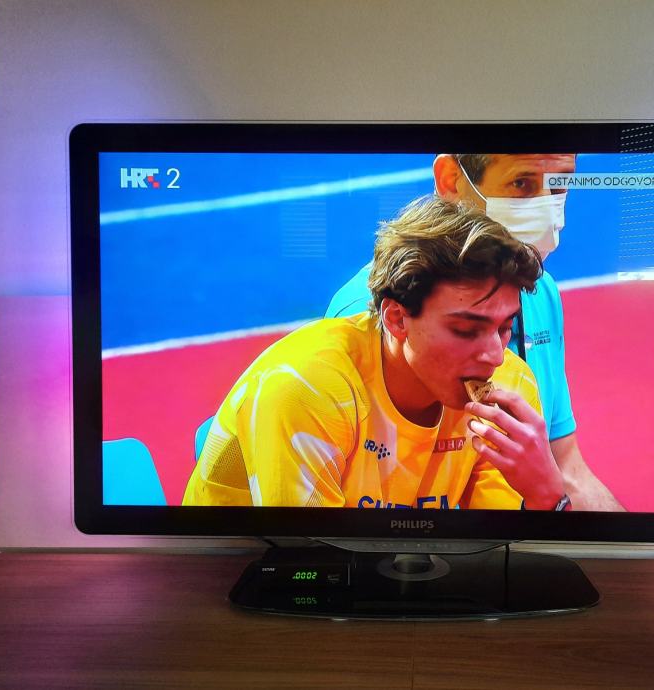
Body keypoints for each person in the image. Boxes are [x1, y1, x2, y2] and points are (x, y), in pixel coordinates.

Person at [182, 197, 569, 510]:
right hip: (236, 573)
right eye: (466, 330)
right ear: (397, 318)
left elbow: (494, 553)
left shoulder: (509, 385)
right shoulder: (305, 388)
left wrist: (547, 496)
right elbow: (311, 562)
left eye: (504, 328)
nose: (495, 356)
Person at [326, 153, 624, 511]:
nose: (547, 209)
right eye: (521, 184)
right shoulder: (372, 317)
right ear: (451, 179)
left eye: (558, 185)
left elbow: (565, 468)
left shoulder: (540, 292)